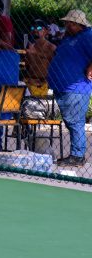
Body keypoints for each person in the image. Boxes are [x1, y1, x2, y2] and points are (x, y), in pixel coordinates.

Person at [47, 10, 92, 167]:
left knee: (75, 122)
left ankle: (77, 155)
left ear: (78, 24)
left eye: (69, 23)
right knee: (71, 122)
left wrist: (91, 68)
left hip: (76, 87)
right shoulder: (71, 37)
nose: (66, 25)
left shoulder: (88, 35)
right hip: (64, 86)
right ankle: (76, 154)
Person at [24, 19, 56, 85]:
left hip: (44, 82)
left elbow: (53, 61)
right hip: (30, 81)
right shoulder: (31, 46)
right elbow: (27, 65)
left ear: (46, 31)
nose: (35, 30)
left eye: (39, 28)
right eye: (33, 28)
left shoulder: (51, 47)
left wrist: (35, 53)